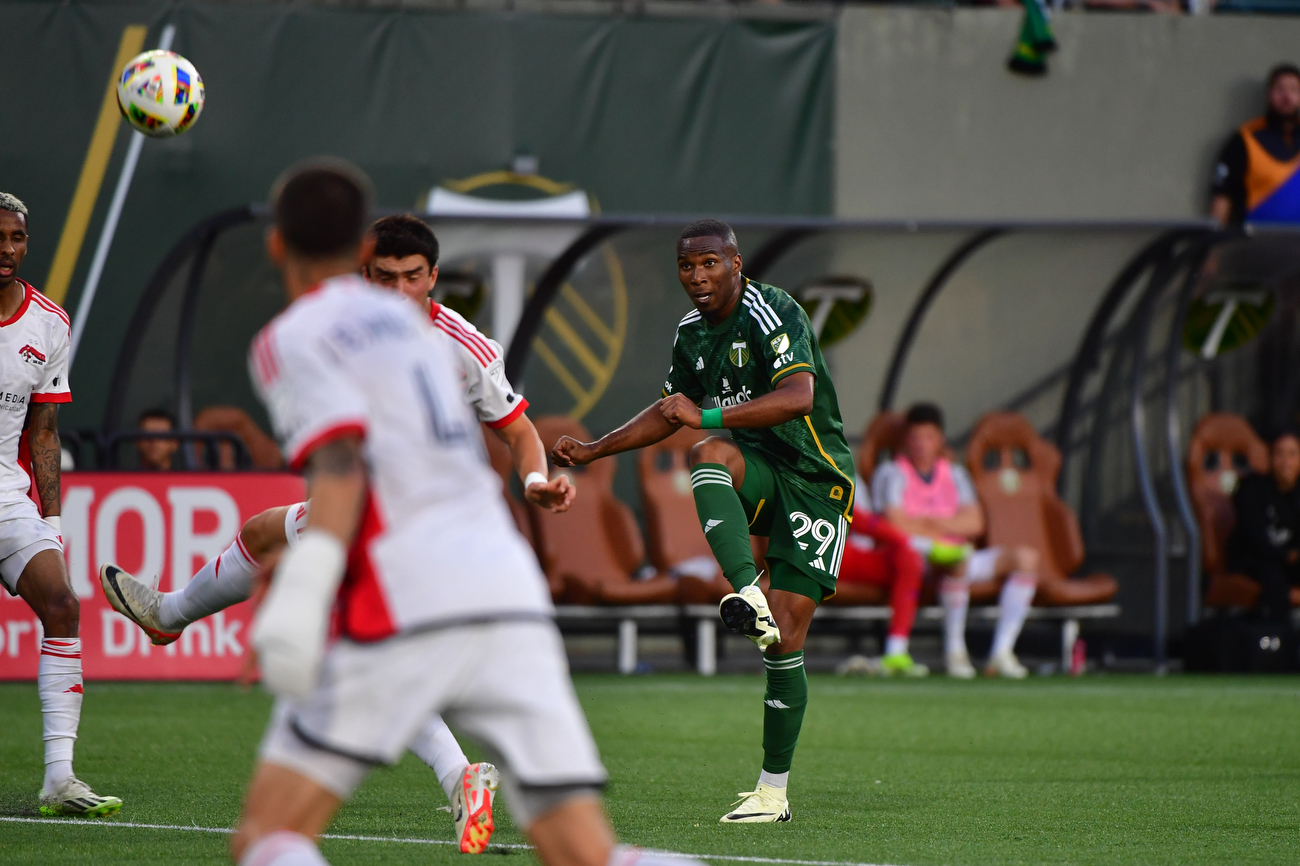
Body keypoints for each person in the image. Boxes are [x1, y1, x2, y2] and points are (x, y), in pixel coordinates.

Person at [100, 217, 573, 853]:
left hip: (390, 531)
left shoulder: (332, 336)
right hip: (476, 551)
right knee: (263, 534)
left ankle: (456, 772)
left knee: (268, 829)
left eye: (412, 278)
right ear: (362, 269)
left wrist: (299, 596)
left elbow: (505, 432)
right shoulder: (387, 336)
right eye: (386, 277)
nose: (399, 291)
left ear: (434, 278)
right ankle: (170, 615)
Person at [552, 219, 855, 824]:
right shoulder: (691, 333)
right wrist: (594, 451)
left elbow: (798, 397)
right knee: (707, 453)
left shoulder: (773, 311)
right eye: (687, 265)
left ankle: (772, 793)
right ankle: (746, 590)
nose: (697, 276)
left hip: (815, 481)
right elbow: (673, 412)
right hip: (760, 470)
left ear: (736, 263)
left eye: (709, 263)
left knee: (785, 638)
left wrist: (707, 413)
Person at [0, 192, 119, 816]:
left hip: (6, 497)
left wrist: (50, 522)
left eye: (16, 237)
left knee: (63, 604)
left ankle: (59, 778)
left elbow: (44, 433)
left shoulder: (48, 324)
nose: (6, 249)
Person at [871, 403, 1039, 679]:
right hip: (917, 560)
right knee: (956, 560)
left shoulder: (954, 473)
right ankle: (955, 652)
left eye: (928, 437)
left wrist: (926, 522)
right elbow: (895, 523)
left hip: (956, 552)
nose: (921, 444)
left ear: (940, 439)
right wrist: (946, 527)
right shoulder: (891, 472)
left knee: (1026, 559)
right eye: (915, 437)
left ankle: (1002, 653)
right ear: (905, 440)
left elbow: (975, 523)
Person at [837, 499, 928, 677]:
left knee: (909, 558)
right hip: (825, 553)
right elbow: (859, 519)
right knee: (909, 549)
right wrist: (922, 544)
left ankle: (896, 651)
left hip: (863, 554)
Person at [1211, 63, 1300, 226]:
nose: (1287, 97)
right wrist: (1214, 238)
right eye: (1280, 89)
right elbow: (1223, 197)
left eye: (1294, 90)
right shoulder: (1245, 139)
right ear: (1269, 94)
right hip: (1255, 238)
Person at [1226, 428, 1300, 623]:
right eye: (1279, 454)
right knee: (1273, 575)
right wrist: (1290, 555)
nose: (1286, 462)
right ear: (1270, 458)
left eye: (1292, 454)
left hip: (1288, 562)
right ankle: (1279, 635)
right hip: (1255, 560)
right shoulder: (1253, 489)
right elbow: (1257, 541)